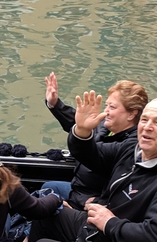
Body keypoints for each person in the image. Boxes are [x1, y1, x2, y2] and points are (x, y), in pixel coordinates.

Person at [27, 94, 157, 242]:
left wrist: (109, 223)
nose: (147, 127)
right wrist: (83, 130)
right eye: (144, 120)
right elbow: (91, 156)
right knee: (45, 213)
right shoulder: (132, 149)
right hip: (94, 229)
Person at [42, 74, 148, 209]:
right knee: (48, 187)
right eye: (106, 105)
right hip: (78, 189)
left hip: (90, 200)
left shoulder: (133, 145)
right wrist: (55, 104)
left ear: (132, 114)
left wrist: (95, 202)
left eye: (112, 107)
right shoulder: (107, 125)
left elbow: (90, 151)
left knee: (45, 203)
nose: (106, 111)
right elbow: (80, 122)